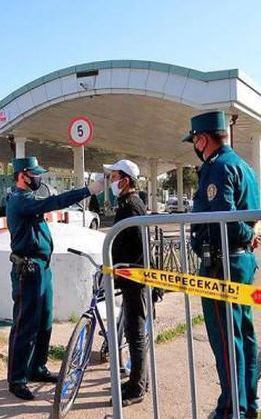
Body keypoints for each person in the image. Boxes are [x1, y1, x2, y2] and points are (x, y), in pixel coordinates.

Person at [183, 111, 261, 419]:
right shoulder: (245, 166)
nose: (195, 146)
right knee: (243, 334)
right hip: (240, 261)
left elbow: (223, 220)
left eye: (195, 140)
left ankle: (232, 409)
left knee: (227, 340)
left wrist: (247, 234)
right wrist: (250, 235)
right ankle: (248, 403)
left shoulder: (217, 168)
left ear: (203, 138)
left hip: (221, 263)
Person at [6, 156, 102, 400]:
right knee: (25, 324)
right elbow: (55, 202)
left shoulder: (28, 200)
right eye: (34, 174)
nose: (38, 178)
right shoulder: (20, 200)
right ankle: (17, 379)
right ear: (22, 175)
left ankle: (37, 367)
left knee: (44, 321)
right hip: (28, 269)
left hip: (41, 268)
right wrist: (86, 191)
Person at [105, 159, 149, 406]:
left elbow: (136, 247)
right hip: (130, 277)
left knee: (135, 334)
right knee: (134, 332)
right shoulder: (127, 203)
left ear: (125, 180)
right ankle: (139, 381)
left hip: (136, 279)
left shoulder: (131, 205)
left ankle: (137, 389)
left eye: (114, 176)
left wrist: (123, 267)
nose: (111, 180)